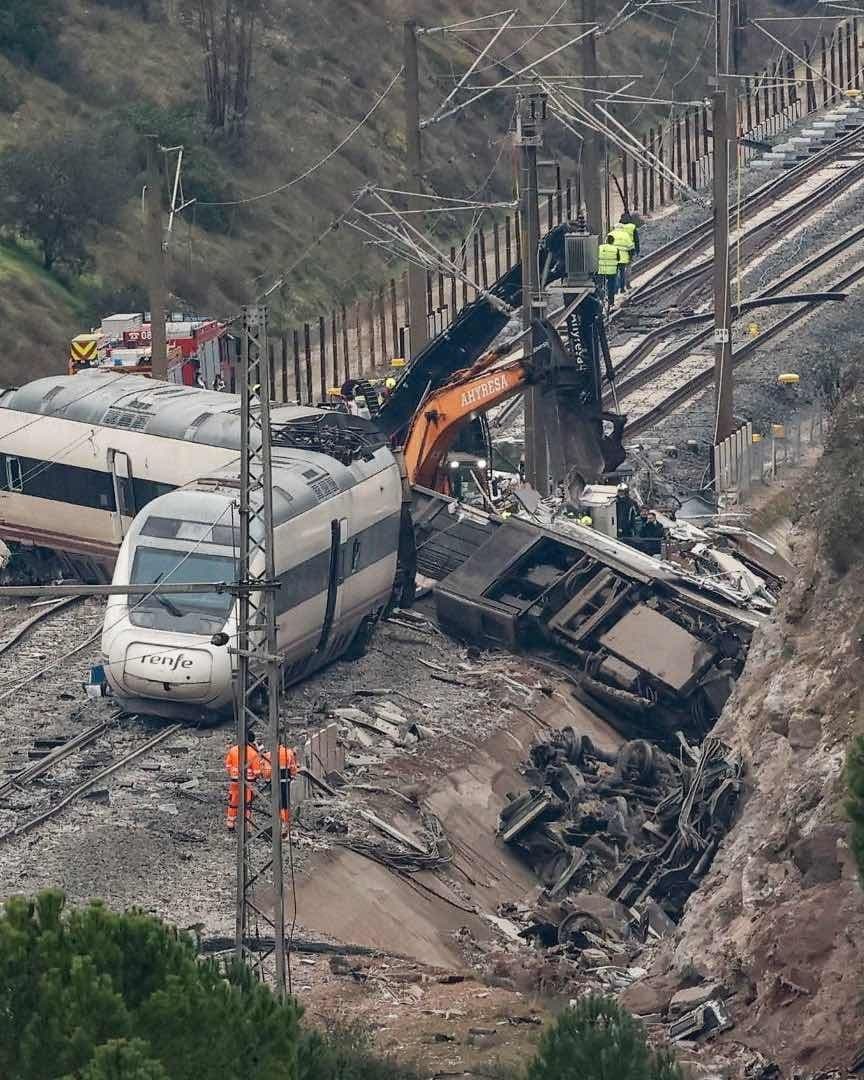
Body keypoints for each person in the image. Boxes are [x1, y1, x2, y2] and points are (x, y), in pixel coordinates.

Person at [224, 731, 262, 831]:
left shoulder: (233, 750)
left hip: (235, 781)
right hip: (248, 782)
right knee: (247, 803)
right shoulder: (253, 753)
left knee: (233, 802)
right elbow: (257, 771)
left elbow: (228, 766)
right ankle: (246, 826)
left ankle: (230, 824)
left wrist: (233, 773)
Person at [260, 743, 300, 837]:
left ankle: (278, 822)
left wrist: (267, 780)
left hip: (274, 783)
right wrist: (293, 776)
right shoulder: (289, 752)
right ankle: (285, 824)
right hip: (285, 782)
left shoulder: (269, 754)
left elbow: (265, 769)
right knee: (285, 804)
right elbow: (293, 767)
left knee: (277, 803)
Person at [597, 234, 621, 310]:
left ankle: (600, 301)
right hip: (611, 271)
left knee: (600, 286)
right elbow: (618, 259)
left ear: (606, 241)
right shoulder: (615, 248)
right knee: (611, 287)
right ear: (613, 241)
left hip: (601, 270)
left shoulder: (600, 247)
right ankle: (611, 302)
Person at [610, 222, 635, 293]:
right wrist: (630, 257)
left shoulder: (610, 234)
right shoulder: (625, 235)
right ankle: (622, 289)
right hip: (623, 259)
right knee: (622, 273)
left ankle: (615, 290)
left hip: (613, 258)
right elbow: (631, 246)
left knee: (614, 274)